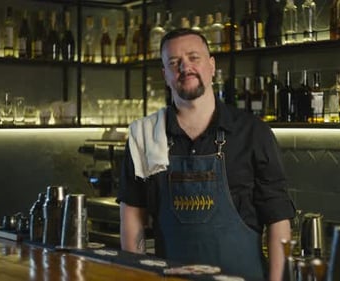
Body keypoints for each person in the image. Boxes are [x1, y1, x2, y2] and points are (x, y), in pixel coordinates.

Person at [117, 28, 295, 281]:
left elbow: (278, 223)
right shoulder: (144, 137)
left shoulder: (253, 133)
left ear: (212, 66)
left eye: (193, 57)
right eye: (174, 62)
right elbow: (132, 218)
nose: (185, 67)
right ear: (165, 75)